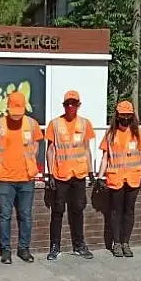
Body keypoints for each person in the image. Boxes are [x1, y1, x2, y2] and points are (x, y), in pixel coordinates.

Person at [0, 91, 44, 264]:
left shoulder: (32, 124)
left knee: (25, 215)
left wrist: (30, 157)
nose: (16, 116)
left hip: (26, 177)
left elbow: (36, 144)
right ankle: (5, 251)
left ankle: (24, 249)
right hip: (5, 178)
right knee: (5, 216)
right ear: (8, 107)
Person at [45, 90, 96, 260]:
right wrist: (50, 174)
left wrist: (91, 171)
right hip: (61, 174)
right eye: (68, 104)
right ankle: (55, 247)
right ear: (64, 105)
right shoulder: (55, 124)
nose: (70, 106)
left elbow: (87, 149)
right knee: (57, 211)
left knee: (78, 210)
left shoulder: (85, 123)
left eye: (74, 104)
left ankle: (79, 245)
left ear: (78, 105)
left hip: (79, 175)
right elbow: (50, 150)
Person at [96, 100, 141, 257]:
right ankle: (117, 243)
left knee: (129, 211)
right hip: (116, 178)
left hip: (133, 178)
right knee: (115, 211)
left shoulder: (137, 133)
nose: (125, 118)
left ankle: (126, 242)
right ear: (117, 116)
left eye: (128, 115)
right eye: (123, 115)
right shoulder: (111, 134)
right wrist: (100, 177)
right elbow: (105, 157)